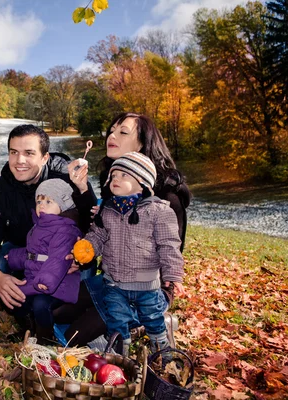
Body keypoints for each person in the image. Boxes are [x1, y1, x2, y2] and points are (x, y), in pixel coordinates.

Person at [55, 112, 192, 347]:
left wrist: (171, 280)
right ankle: (116, 330)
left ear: (142, 144)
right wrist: (82, 188)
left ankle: (149, 323)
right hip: (112, 280)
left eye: (123, 132)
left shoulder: (167, 195)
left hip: (147, 289)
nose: (112, 135)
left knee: (71, 339)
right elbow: (99, 228)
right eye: (111, 129)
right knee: (55, 313)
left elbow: (170, 248)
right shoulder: (116, 180)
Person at [0, 124, 96, 329]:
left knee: (82, 282)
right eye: (14, 152)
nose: (20, 161)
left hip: (64, 254)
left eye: (29, 153)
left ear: (44, 157)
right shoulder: (1, 189)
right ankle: (23, 301)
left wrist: (80, 257)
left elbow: (94, 225)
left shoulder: (68, 179)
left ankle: (65, 317)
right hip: (24, 250)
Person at [74, 152, 185, 356]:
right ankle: (119, 354)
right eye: (113, 176)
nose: (116, 179)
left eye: (124, 176)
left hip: (147, 284)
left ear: (143, 182)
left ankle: (162, 353)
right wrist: (88, 248)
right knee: (116, 319)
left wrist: (173, 274)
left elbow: (169, 245)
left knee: (153, 319)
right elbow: (98, 235)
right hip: (114, 282)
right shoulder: (107, 210)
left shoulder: (158, 211)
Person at [5, 179, 82, 344]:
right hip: (37, 278)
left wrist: (47, 280)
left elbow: (58, 259)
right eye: (39, 201)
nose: (41, 205)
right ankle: (28, 332)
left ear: (63, 206)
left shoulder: (65, 230)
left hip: (58, 283)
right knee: (16, 297)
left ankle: (45, 339)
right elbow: (32, 253)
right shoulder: (39, 226)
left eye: (48, 201)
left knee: (41, 304)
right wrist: (13, 257)